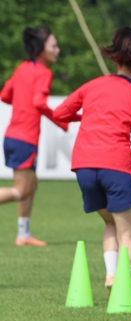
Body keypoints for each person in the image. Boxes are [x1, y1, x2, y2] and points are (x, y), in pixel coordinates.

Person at [52, 27, 131, 293]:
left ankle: (111, 275)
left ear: (116, 60)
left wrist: (87, 116)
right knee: (126, 232)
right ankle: (121, 287)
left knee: (110, 221)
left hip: (84, 166)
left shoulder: (93, 85)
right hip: (117, 166)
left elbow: (60, 114)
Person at [0, 26, 71, 246]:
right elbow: (39, 103)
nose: (57, 50)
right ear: (41, 49)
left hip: (13, 136)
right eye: (53, 45)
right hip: (24, 139)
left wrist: (22, 103)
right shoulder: (43, 73)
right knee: (22, 190)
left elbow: (4, 95)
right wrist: (60, 120)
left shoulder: (22, 68)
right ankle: (23, 234)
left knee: (31, 186)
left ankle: (23, 234)